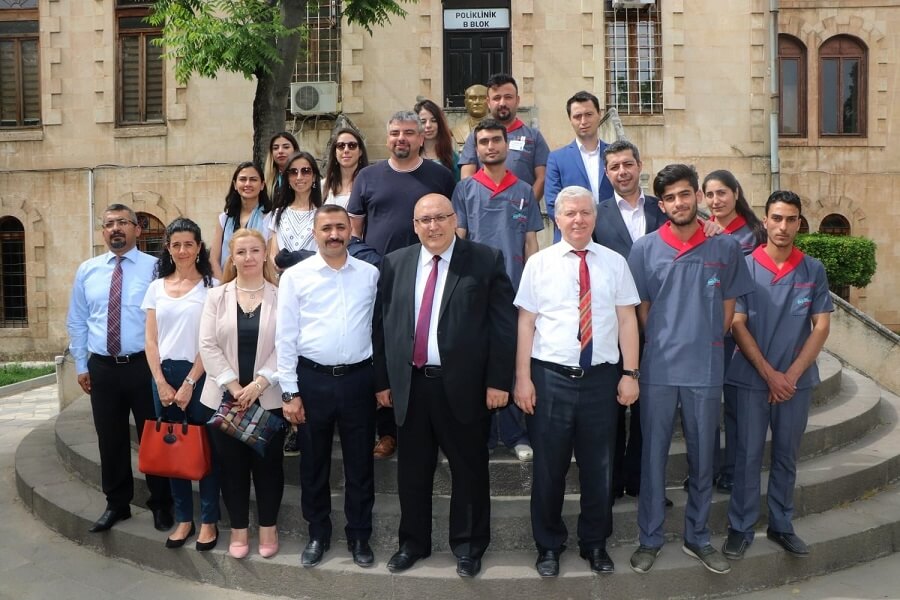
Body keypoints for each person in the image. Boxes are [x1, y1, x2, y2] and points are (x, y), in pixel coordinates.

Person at [373, 194, 516, 578]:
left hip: (465, 387)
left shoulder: (485, 260)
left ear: (455, 220)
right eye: (424, 220)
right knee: (412, 472)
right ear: (414, 225)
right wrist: (383, 381)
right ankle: (412, 543)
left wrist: (499, 381)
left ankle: (468, 547)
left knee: (469, 471)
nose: (433, 226)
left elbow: (504, 326)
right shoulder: (396, 263)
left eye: (440, 218)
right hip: (411, 386)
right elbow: (382, 326)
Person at [626, 164, 753, 575]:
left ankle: (698, 538)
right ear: (660, 205)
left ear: (698, 196)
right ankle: (650, 538)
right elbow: (641, 307)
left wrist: (705, 340)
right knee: (653, 458)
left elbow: (730, 307)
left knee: (702, 458)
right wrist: (665, 338)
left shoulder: (725, 247)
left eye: (685, 194)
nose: (679, 203)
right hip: (659, 368)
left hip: (705, 367)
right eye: (670, 198)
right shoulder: (645, 249)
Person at [514, 186, 640, 577]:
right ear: (557, 218)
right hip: (550, 378)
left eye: (585, 213)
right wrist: (522, 378)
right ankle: (548, 546)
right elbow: (526, 323)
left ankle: (595, 543)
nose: (578, 220)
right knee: (549, 468)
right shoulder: (539, 264)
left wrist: (630, 374)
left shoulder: (615, 263)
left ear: (595, 217)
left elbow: (626, 320)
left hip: (602, 380)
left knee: (600, 467)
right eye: (569, 213)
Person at [722, 190, 833, 560]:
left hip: (795, 383)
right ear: (765, 221)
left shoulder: (812, 269)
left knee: (786, 456)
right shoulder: (745, 265)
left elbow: (820, 327)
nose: (783, 226)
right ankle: (740, 526)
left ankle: (782, 524)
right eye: (777, 218)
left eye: (791, 219)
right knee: (747, 455)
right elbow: (736, 323)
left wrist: (791, 375)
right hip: (751, 379)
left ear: (799, 223)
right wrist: (770, 375)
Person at [348, 110, 456, 460]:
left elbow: (453, 224)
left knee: (428, 344)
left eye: (408, 132)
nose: (401, 139)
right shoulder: (368, 176)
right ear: (387, 136)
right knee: (385, 345)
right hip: (382, 280)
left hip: (432, 277)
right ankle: (387, 430)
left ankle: (434, 426)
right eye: (395, 132)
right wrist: (376, 264)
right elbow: (353, 232)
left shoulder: (439, 176)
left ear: (421, 136)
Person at [276, 205, 379, 569]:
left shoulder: (370, 274)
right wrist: (289, 392)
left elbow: (377, 331)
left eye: (340, 227)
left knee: (360, 466)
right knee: (314, 465)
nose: (333, 234)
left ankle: (360, 535)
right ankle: (318, 533)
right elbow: (285, 336)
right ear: (315, 234)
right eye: (326, 229)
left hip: (358, 381)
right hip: (312, 381)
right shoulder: (296, 277)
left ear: (351, 230)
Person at [66, 203, 173, 533]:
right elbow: (78, 320)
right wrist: (82, 365)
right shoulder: (88, 270)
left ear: (137, 229)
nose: (115, 228)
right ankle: (117, 504)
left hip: (143, 367)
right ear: (103, 231)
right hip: (103, 368)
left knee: (152, 438)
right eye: (109, 223)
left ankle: (161, 504)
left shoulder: (156, 268)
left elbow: (166, 319)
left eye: (123, 223)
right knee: (109, 439)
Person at [452, 117, 542, 461]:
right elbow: (459, 239)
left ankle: (516, 433)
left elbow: (531, 243)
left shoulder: (522, 191)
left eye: (496, 140)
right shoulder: (465, 190)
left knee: (513, 360)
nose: (490, 146)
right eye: (483, 141)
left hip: (516, 292)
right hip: (475, 292)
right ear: (476, 148)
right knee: (479, 362)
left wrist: (535, 289)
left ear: (506, 145)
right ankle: (485, 435)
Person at [198, 228, 285, 559]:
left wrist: (259, 383)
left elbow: (287, 346)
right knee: (231, 468)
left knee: (269, 467)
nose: (248, 257)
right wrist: (234, 386)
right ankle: (237, 530)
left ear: (265, 255)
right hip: (225, 398)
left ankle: (268, 528)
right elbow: (207, 344)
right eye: (241, 252)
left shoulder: (281, 296)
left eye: (254, 251)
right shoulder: (215, 297)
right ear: (231, 258)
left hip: (268, 398)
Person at [593, 139, 665, 501]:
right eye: (614, 167)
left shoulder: (662, 209)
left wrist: (712, 227)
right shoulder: (596, 214)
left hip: (656, 321)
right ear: (607, 174)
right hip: (611, 323)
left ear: (639, 165)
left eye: (627, 164)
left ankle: (639, 480)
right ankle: (609, 482)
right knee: (610, 408)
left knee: (647, 409)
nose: (622, 172)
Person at [142, 218, 220, 550]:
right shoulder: (156, 287)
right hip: (163, 378)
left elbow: (211, 340)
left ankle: (209, 521)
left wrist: (189, 382)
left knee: (204, 450)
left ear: (199, 248)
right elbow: (150, 340)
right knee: (173, 450)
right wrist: (160, 381)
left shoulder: (212, 287)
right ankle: (184, 519)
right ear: (168, 249)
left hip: (200, 375)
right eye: (176, 244)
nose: (183, 250)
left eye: (189, 244)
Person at [699, 169, 768, 494]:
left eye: (722, 193)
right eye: (710, 195)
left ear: (736, 193)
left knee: (736, 407)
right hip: (707, 331)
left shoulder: (753, 234)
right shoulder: (699, 231)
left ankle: (732, 470)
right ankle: (705, 469)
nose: (716, 200)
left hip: (741, 331)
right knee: (706, 408)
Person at [459, 74, 550, 202]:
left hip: (522, 215)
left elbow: (543, 177)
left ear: (517, 100)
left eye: (508, 97)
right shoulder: (476, 135)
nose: (502, 103)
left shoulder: (533, 136)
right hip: (484, 211)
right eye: (496, 98)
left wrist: (526, 208)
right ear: (488, 102)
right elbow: (467, 178)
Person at [545, 91, 615, 242]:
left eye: (588, 114)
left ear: (599, 114)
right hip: (572, 238)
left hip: (611, 237)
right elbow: (553, 204)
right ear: (570, 120)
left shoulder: (615, 155)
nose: (583, 121)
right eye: (577, 116)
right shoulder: (557, 158)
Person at [209, 162, 272, 281]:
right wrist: (224, 286)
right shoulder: (224, 218)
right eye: (243, 179)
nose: (247, 184)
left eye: (253, 179)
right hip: (226, 286)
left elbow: (270, 257)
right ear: (235, 184)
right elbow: (213, 258)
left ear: (262, 185)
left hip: (260, 285)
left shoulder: (270, 217)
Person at [268, 151, 323, 265]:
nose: (299, 177)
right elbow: (273, 255)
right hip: (284, 278)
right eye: (293, 172)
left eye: (305, 171)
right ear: (287, 178)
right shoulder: (278, 213)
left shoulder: (324, 215)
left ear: (314, 177)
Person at [322, 127, 369, 209]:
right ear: (335, 153)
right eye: (341, 146)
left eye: (352, 145)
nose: (346, 150)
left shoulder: (370, 184)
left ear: (360, 151)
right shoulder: (323, 185)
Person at [415, 98, 460, 181]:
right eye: (423, 121)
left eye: (433, 120)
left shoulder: (452, 158)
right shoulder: (411, 155)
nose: (428, 125)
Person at [264, 131, 301, 198]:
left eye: (286, 147)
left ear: (295, 150)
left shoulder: (304, 176)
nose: (280, 151)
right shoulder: (266, 181)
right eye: (275, 148)